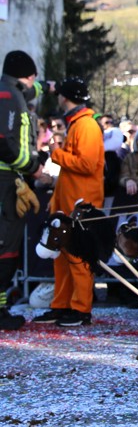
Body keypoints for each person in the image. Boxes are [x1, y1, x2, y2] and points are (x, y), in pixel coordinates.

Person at [34, 79, 104, 327]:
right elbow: (71, 171)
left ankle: (80, 309)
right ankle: (62, 305)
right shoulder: (78, 123)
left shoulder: (86, 125)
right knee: (63, 258)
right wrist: (55, 199)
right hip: (68, 203)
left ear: (64, 97)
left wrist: (56, 152)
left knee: (78, 257)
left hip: (81, 205)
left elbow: (86, 164)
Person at [0, 50, 42, 330]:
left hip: (9, 178)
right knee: (5, 245)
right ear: (27, 75)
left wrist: (49, 87)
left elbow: (32, 91)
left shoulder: (11, 90)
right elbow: (3, 141)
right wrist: (32, 167)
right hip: (5, 180)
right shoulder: (8, 96)